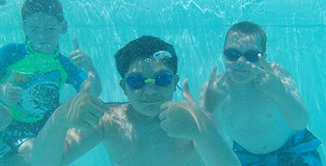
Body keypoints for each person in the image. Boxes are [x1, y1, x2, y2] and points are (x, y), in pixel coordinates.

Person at [31, 35, 241, 166]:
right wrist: (59, 120)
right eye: (137, 81)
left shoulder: (195, 121)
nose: (150, 90)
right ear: (124, 87)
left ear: (174, 81)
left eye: (161, 79)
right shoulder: (108, 121)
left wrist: (204, 133)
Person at [198, 21, 322, 165]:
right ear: (224, 53)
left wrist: (280, 93)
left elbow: (300, 122)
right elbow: (205, 145)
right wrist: (210, 108)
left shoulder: (275, 77)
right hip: (247, 157)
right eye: (233, 54)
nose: (241, 61)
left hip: (293, 150)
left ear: (264, 56)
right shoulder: (213, 90)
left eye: (251, 55)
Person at [0, 0, 101, 165]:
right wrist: (2, 92)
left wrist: (88, 66)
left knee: (35, 157)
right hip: (2, 124)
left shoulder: (65, 64)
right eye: (34, 29)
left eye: (49, 29)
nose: (42, 36)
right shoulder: (11, 53)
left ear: (62, 27)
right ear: (24, 28)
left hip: (29, 131)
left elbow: (93, 92)